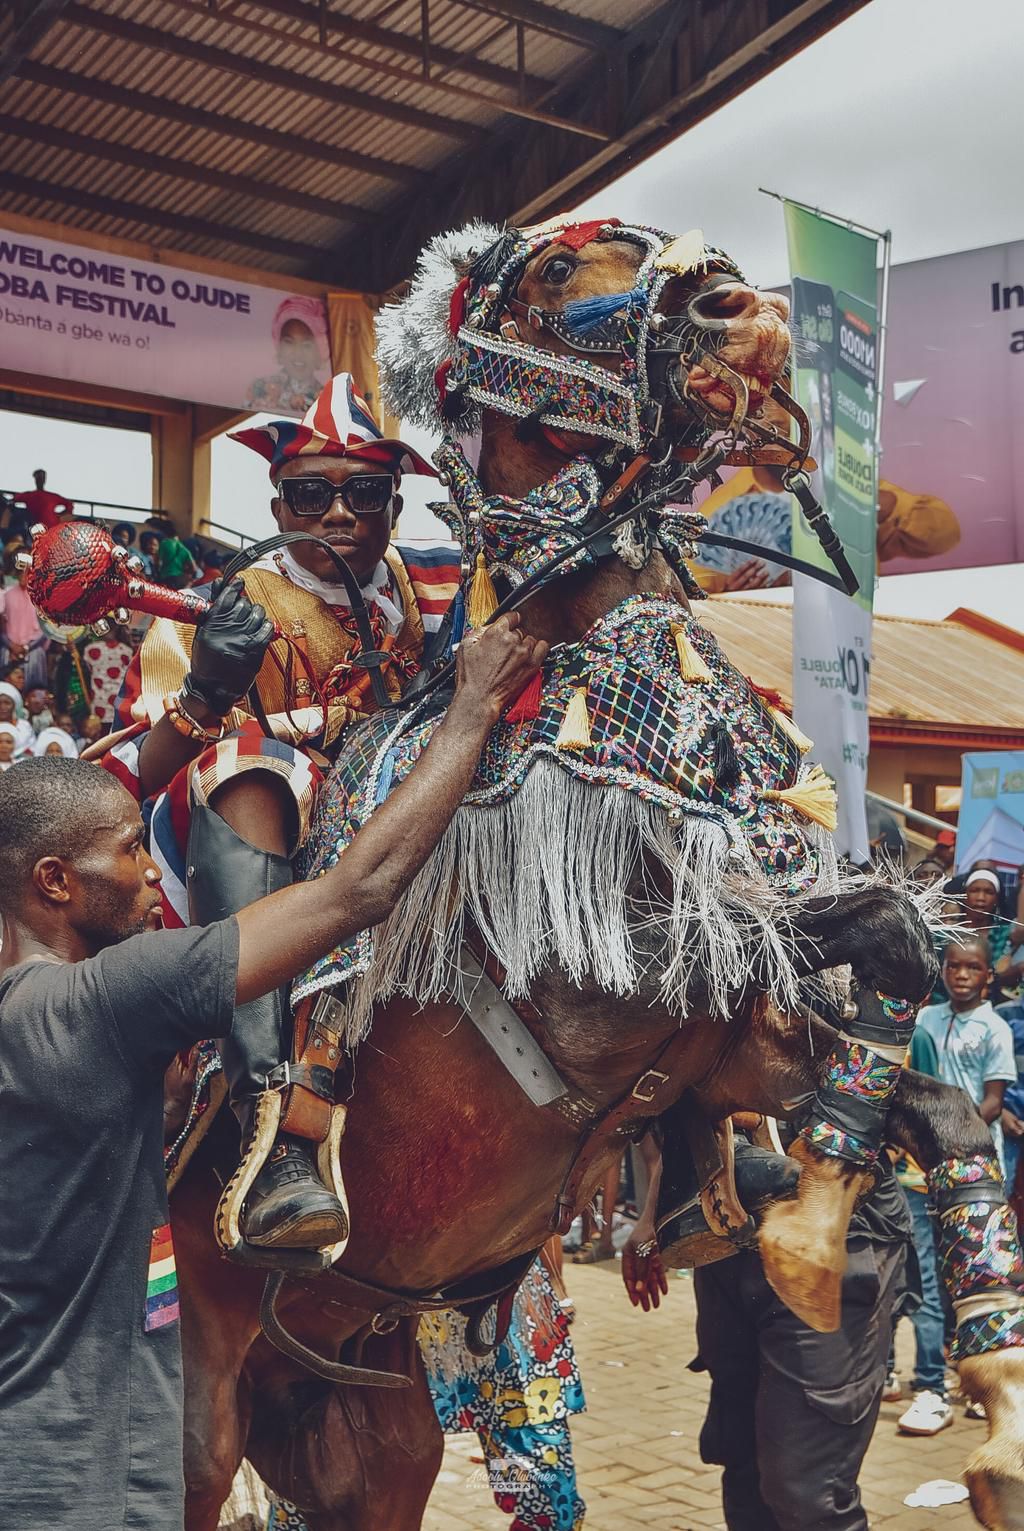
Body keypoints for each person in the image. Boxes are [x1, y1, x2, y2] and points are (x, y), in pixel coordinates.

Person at [0, 615, 543, 1531]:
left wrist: (200, 705)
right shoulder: (100, 1001)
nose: (148, 873)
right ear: (55, 881)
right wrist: (472, 712)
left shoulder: (30, 1011)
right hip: (73, 1482)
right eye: (131, 849)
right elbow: (354, 892)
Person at [105, 373, 461, 1259]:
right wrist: (211, 691)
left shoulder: (434, 590)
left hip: (403, 807)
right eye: (310, 492)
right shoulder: (226, 604)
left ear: (396, 501)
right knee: (251, 769)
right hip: (268, 827)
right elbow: (154, 757)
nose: (336, 512)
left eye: (363, 492)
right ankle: (270, 1109)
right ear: (278, 501)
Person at [623, 1133, 911, 1531]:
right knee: (742, 1461)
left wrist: (985, 1302)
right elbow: (687, 1118)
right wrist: (652, 1214)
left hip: (833, 1240)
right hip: (723, 1239)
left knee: (808, 1492)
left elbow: (950, 1132)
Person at [916, 937, 1016, 1177]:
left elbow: (993, 1103)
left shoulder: (994, 1028)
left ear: (989, 975)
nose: (962, 975)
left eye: (973, 967)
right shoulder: (925, 1018)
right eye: (953, 966)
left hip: (974, 1146)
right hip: (926, 1144)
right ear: (942, 971)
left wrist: (953, 1133)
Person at [246, 294, 330, 415]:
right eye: (289, 342)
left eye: (307, 345)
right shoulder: (259, 388)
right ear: (279, 348)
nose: (298, 353)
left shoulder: (328, 402)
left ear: (320, 351)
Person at [0, 564, 49, 689]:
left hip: (34, 647)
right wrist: (11, 645)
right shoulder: (6, 595)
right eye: (21, 572)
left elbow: (47, 629)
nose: (24, 576)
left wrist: (27, 647)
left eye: (27, 573)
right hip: (9, 647)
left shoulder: (42, 596)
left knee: (34, 687)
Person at [0, 681, 34, 759]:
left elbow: (32, 749)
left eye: (7, 703)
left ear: (14, 705)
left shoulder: (24, 726)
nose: (2, 707)